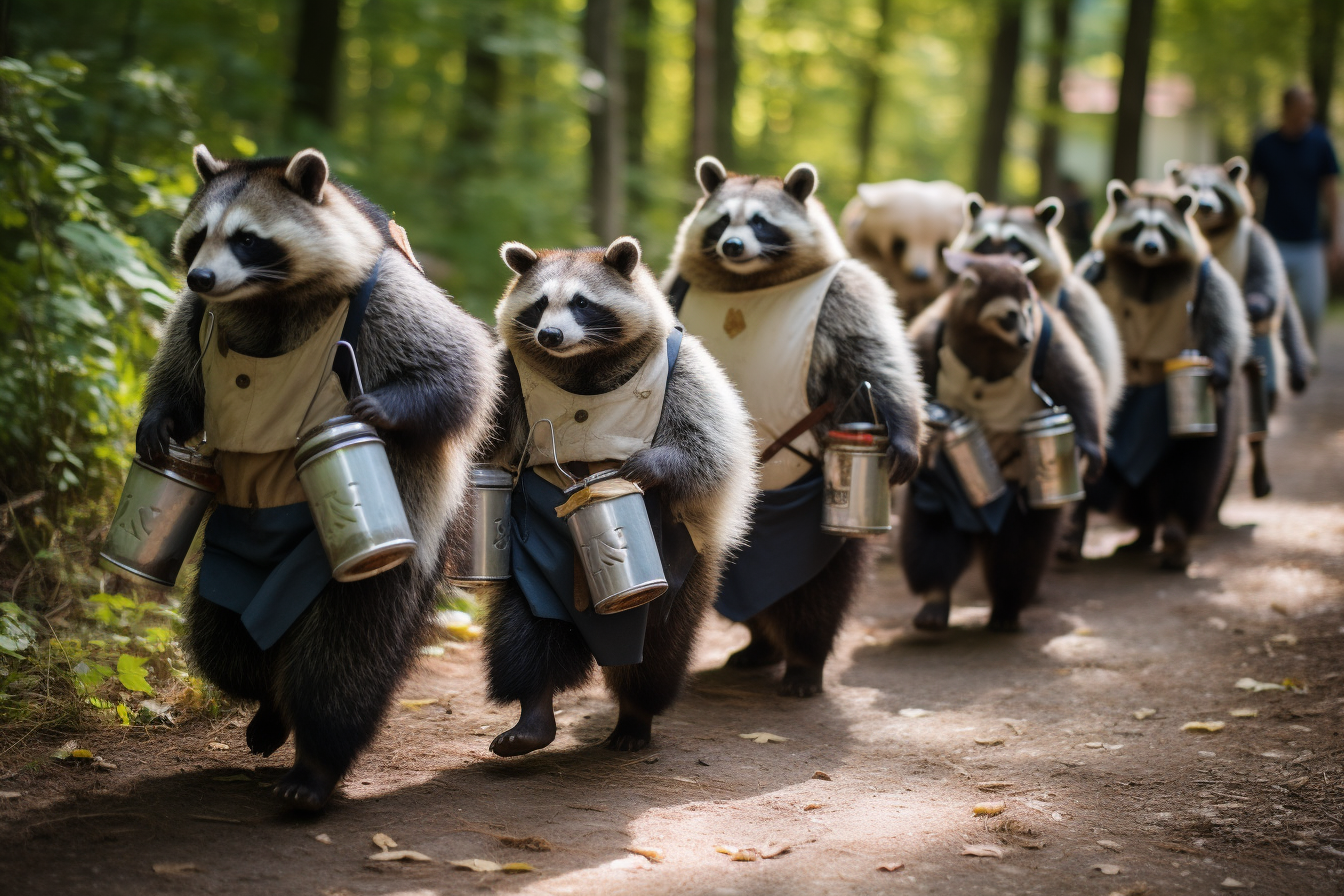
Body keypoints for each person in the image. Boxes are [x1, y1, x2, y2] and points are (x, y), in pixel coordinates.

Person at [1251, 86, 1343, 354]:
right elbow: (1251, 190)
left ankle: (1306, 357)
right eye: (1302, 108)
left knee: (1313, 309)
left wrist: (1337, 238)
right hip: (1273, 241)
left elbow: (1331, 194)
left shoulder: (1320, 143)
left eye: (1310, 108)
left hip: (1310, 243)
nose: (1307, 113)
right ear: (1287, 109)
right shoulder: (1265, 144)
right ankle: (1268, 363)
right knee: (1266, 306)